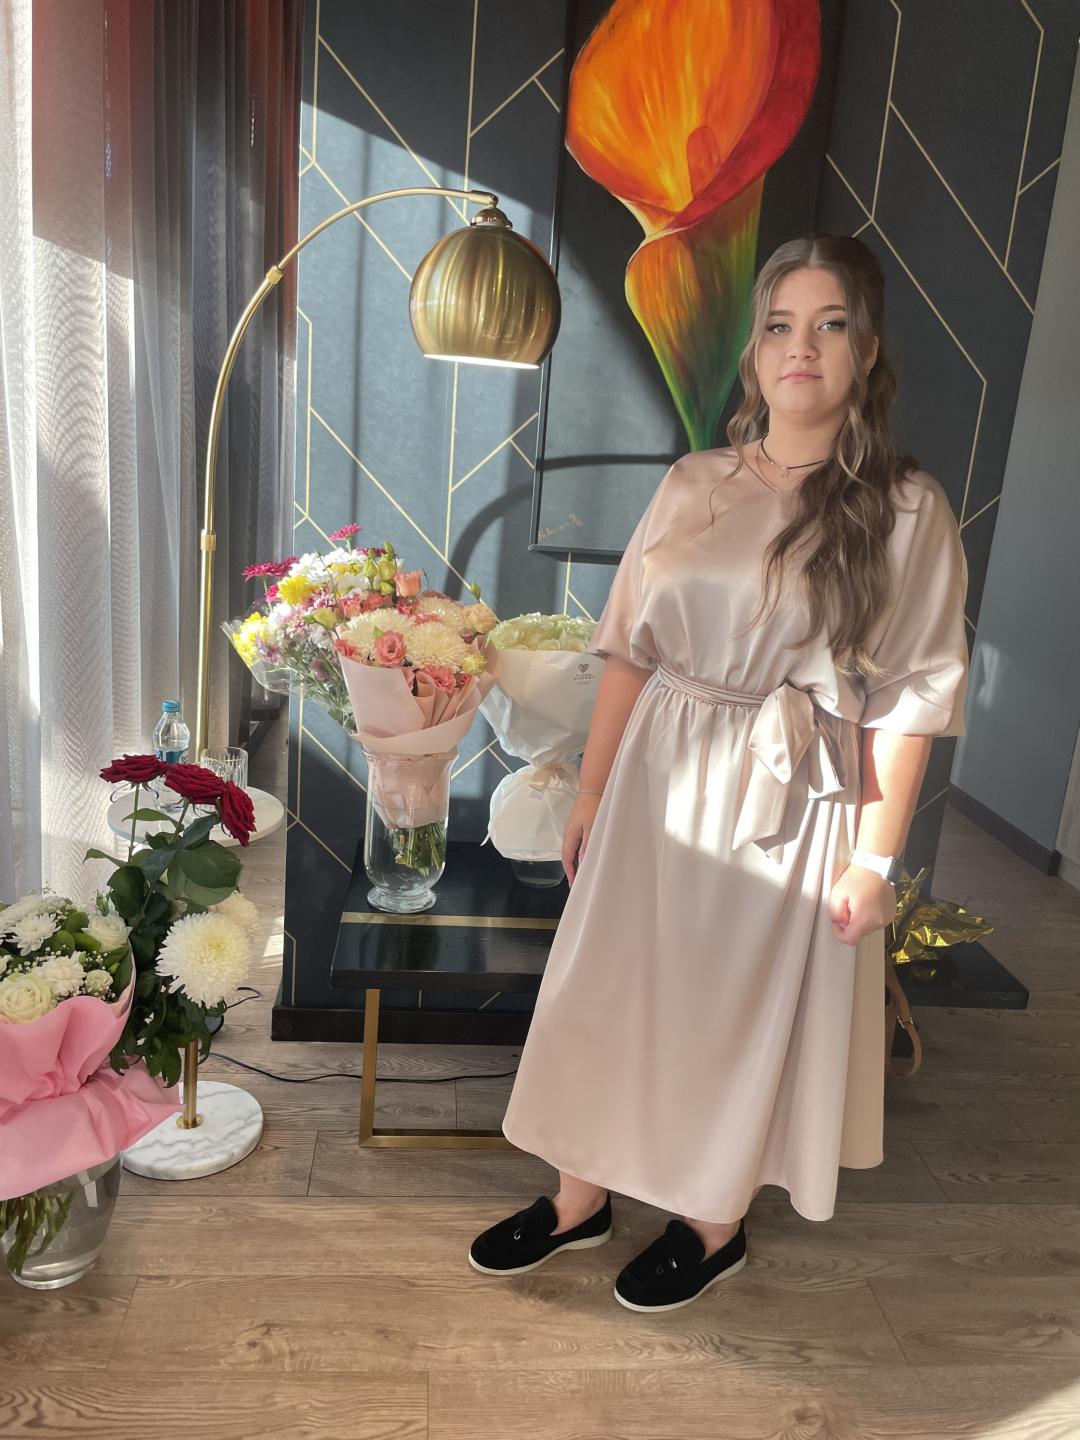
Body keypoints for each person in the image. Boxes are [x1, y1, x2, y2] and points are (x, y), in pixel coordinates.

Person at [469, 233, 969, 1314]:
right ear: (755, 350)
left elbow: (911, 701)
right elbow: (628, 649)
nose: (802, 348)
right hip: (657, 765)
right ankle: (578, 1195)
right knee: (607, 985)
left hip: (790, 797)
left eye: (830, 325)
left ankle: (710, 1220)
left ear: (866, 349)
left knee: (723, 1009)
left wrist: (874, 862)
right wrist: (590, 790)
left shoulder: (908, 510)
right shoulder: (694, 482)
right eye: (780, 325)